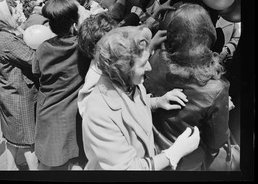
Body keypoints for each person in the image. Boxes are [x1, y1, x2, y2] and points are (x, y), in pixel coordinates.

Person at [82, 25, 200, 170]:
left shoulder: (128, 81)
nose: (149, 67)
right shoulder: (99, 115)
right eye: (143, 64)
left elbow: (130, 106)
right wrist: (172, 154)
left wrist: (157, 102)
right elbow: (127, 169)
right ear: (122, 69)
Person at [144, 3, 231, 171]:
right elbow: (216, 141)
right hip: (186, 163)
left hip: (149, 151)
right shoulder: (216, 88)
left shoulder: (154, 61)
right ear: (208, 34)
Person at [32, 0, 90, 170]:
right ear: (74, 22)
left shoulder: (43, 48)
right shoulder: (83, 47)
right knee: (76, 161)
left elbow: (36, 73)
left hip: (48, 113)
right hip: (75, 114)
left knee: (48, 164)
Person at [0, 0, 39, 170]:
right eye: (14, 12)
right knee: (28, 140)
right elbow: (32, 59)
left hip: (10, 92)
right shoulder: (7, 39)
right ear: (4, 18)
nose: (18, 13)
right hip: (19, 95)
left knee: (12, 137)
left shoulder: (0, 34)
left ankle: (10, 169)